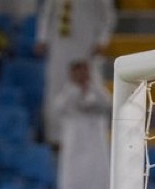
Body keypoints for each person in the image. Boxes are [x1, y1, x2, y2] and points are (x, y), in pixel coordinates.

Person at [35, 0, 115, 144]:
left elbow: (107, 16)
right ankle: (55, 137)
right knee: (55, 89)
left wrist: (102, 40)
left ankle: (94, 138)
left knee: (89, 86)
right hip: (58, 44)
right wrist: (42, 37)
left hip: (86, 43)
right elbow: (47, 12)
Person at [54, 60, 111, 189]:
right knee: (72, 188)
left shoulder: (98, 91)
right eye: (77, 72)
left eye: (84, 71)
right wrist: (76, 89)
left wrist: (92, 86)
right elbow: (59, 107)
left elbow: (108, 103)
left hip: (96, 150)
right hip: (74, 151)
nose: (81, 75)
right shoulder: (66, 94)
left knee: (98, 188)